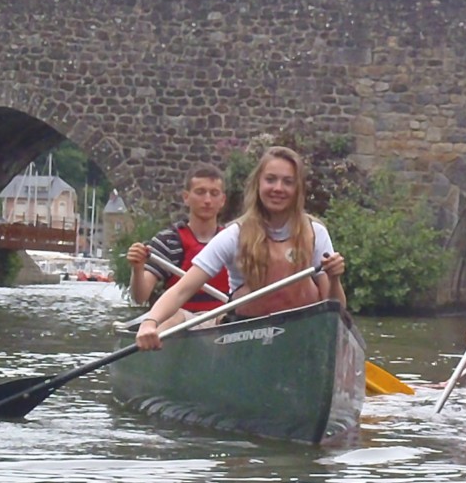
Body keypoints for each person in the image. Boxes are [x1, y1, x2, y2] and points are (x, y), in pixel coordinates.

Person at [135, 146, 346, 351]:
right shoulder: (234, 234)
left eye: (288, 182)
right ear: (258, 184)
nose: (278, 188)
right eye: (270, 179)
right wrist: (149, 323)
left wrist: (335, 278)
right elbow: (182, 290)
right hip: (246, 339)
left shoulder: (316, 233)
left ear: (298, 188)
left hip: (303, 337)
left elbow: (337, 306)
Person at [126, 163, 229, 329]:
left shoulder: (233, 240)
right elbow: (140, 296)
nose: (208, 200)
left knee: (234, 316)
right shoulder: (168, 240)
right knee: (174, 316)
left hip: (222, 318)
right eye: (200, 192)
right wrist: (138, 269)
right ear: (186, 197)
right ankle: (153, 344)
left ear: (222, 200)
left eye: (214, 193)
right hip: (181, 321)